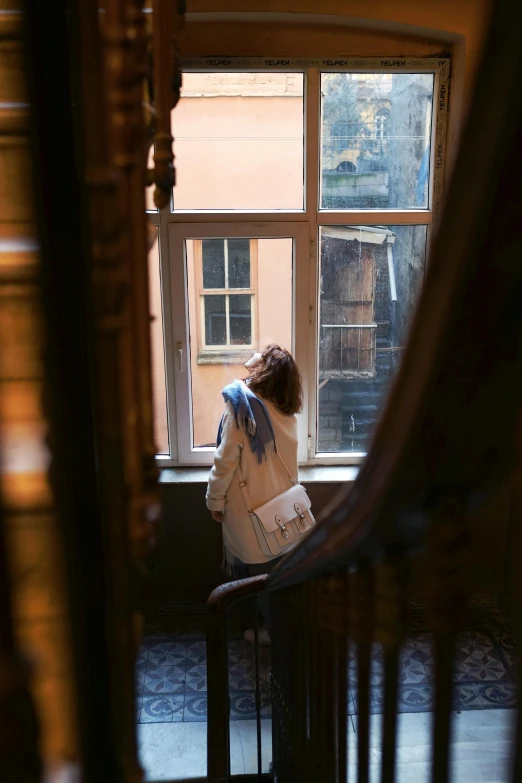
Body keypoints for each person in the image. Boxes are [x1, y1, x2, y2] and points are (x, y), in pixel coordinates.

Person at [206, 344, 303, 644]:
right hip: (283, 512)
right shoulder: (288, 416)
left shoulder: (242, 412)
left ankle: (271, 635)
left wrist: (214, 500)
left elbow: (224, 463)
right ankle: (279, 630)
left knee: (257, 582)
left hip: (251, 514)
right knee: (276, 579)